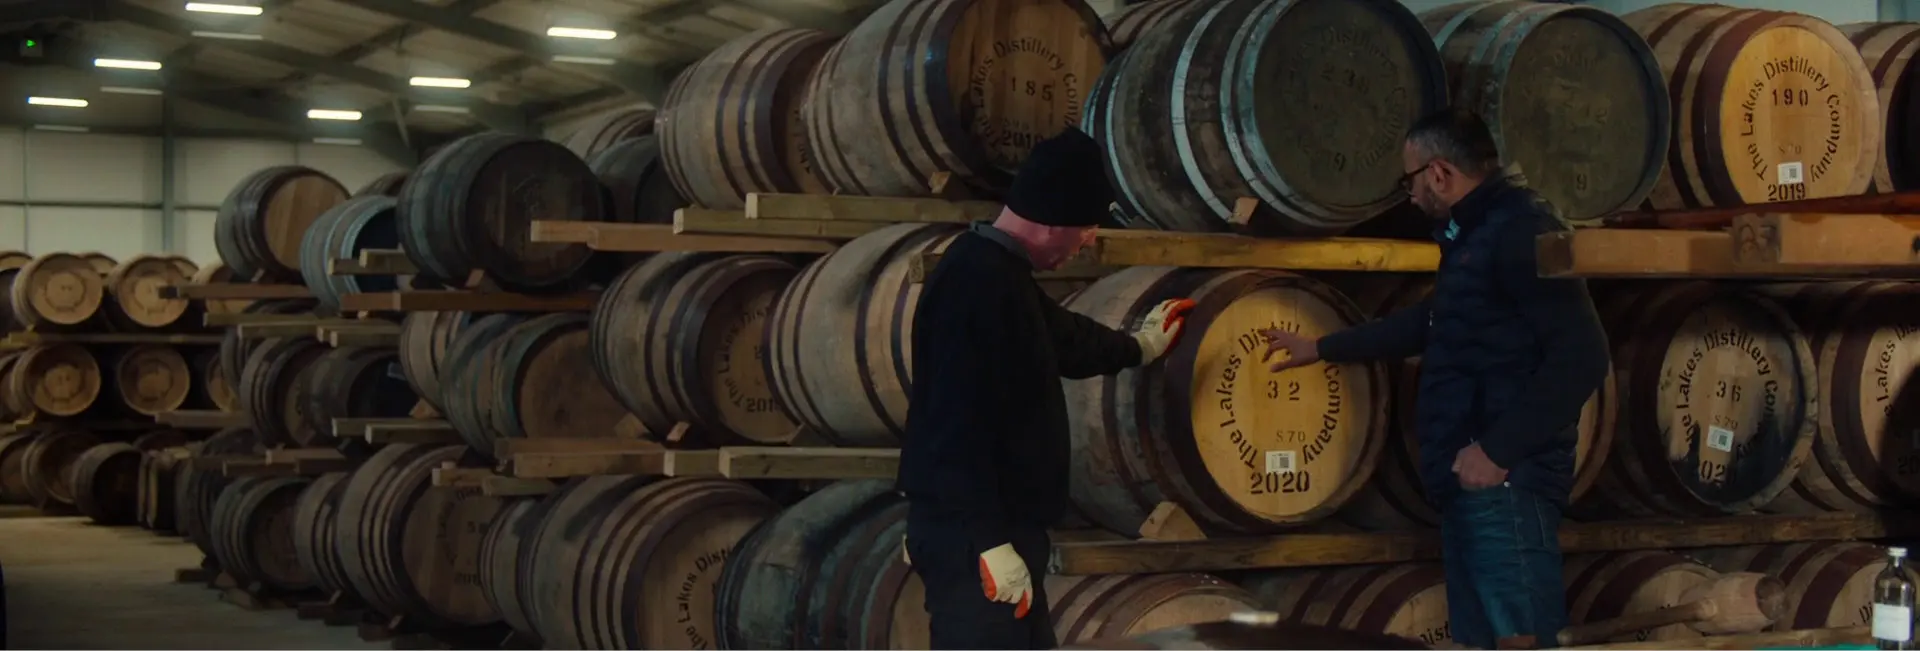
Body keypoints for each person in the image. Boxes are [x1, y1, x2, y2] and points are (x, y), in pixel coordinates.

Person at [1261, 108, 1610, 649]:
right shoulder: (1475, 235)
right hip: (1473, 481)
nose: (1410, 196)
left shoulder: (1522, 231)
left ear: (1439, 173)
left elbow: (1583, 354)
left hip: (1505, 485)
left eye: (1410, 181)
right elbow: (1432, 322)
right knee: (1482, 642)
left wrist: (1497, 450)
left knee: (1521, 640)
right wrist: (1322, 348)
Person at [896, 127, 1194, 650]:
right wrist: (987, 540)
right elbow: (953, 423)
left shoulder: (1000, 274)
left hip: (996, 527)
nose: (1089, 241)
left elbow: (1064, 338)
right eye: (1086, 227)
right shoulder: (976, 284)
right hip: (975, 534)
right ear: (1053, 219)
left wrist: (1140, 347)